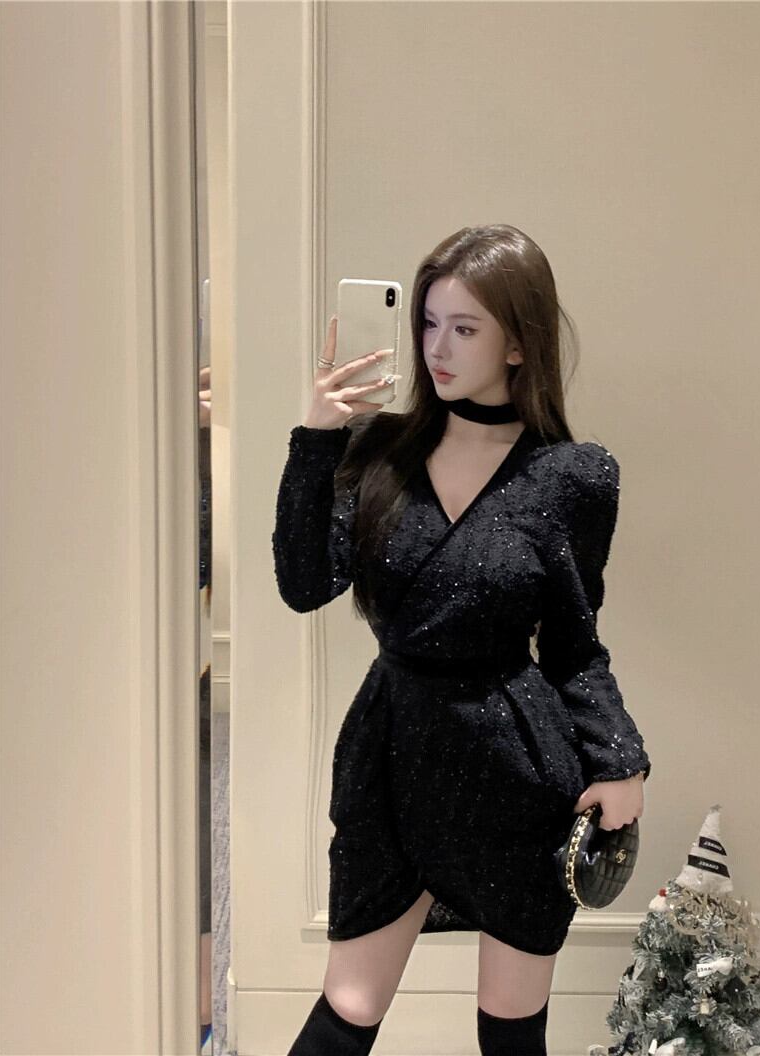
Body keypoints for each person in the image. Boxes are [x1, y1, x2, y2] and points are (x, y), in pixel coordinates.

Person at [272, 224, 651, 1055]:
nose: (436, 348)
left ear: (518, 343)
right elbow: (304, 583)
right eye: (428, 323)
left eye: (465, 328)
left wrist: (619, 759)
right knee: (348, 1008)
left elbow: (575, 643)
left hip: (514, 769)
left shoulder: (573, 477)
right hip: (390, 756)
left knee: (510, 1030)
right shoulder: (379, 450)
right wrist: (316, 438)